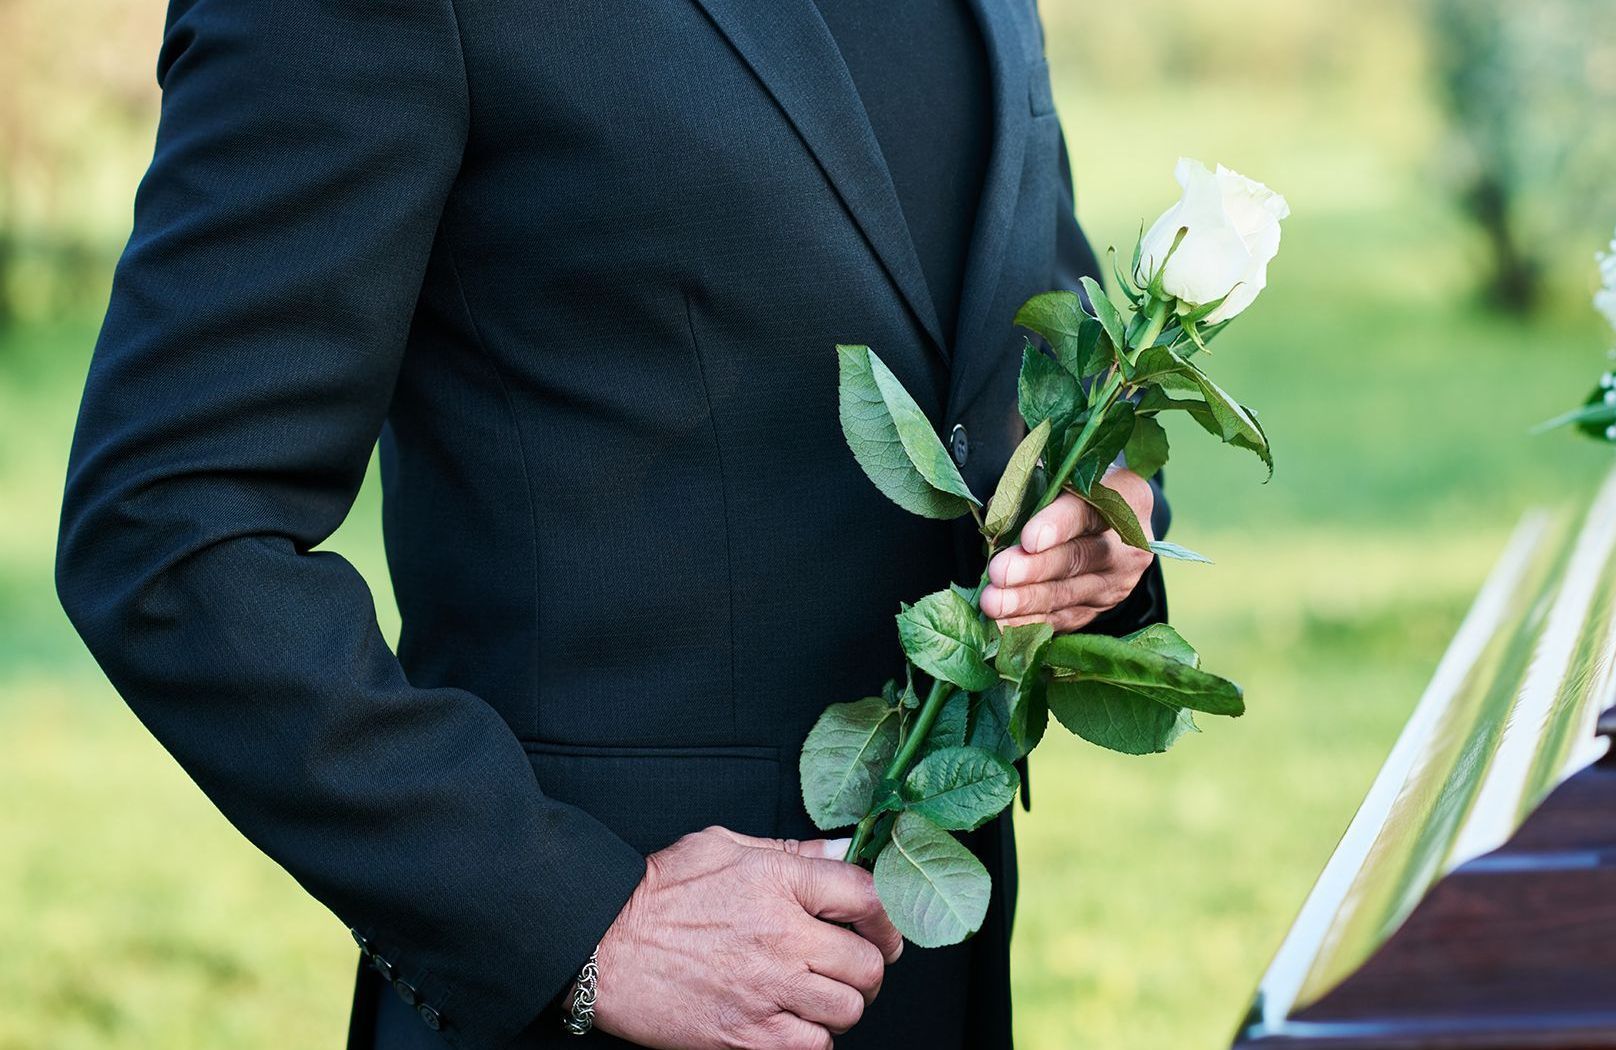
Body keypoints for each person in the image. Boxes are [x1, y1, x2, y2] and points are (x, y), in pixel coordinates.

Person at [55, 0, 1168, 1046]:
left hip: (941, 972)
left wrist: (1108, 510)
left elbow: (1021, 320)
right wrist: (577, 925)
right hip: (619, 993)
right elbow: (168, 523)